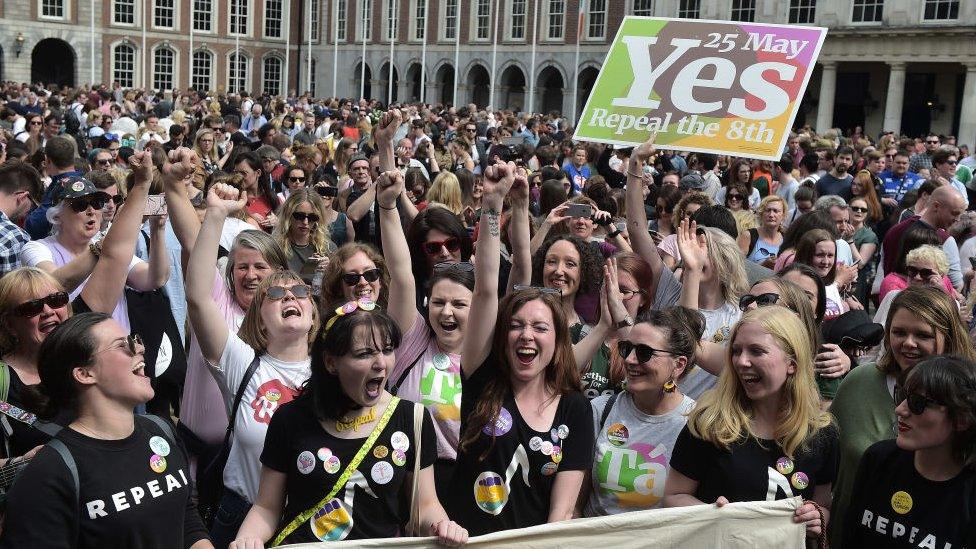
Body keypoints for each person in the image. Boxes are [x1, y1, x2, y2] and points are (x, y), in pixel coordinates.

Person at [229, 302, 467, 547]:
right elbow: (266, 508)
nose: (381, 364)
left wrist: (443, 525)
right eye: (364, 353)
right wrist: (248, 539)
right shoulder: (290, 419)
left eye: (387, 349)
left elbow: (425, 506)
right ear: (331, 363)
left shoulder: (412, 418)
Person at [449, 162, 594, 535]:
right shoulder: (483, 378)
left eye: (540, 327)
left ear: (558, 341)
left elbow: (560, 516)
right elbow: (484, 287)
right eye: (515, 326)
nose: (526, 335)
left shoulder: (575, 408)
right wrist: (494, 203)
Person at [0, 313, 212, 548]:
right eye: (123, 345)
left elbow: (186, 520)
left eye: (134, 339)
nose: (139, 348)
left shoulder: (161, 430)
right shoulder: (49, 474)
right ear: (84, 374)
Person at [185, 182, 318, 548]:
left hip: (310, 518)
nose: (288, 296)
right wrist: (213, 215)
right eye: (275, 294)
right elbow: (197, 298)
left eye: (299, 292)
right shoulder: (242, 362)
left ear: (313, 313)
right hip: (242, 513)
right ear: (260, 317)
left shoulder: (332, 370)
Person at [664, 306, 837, 544]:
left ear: (792, 363)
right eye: (735, 351)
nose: (741, 361)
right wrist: (712, 514)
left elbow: (823, 506)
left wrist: (816, 517)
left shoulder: (822, 433)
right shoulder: (710, 423)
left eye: (756, 351)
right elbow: (674, 496)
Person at [828, 286, 976, 546]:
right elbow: (828, 458)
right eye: (898, 332)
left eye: (922, 334)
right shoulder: (858, 383)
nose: (908, 343)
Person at [841, 355, 976, 548]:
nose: (900, 410)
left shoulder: (968, 494)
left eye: (917, 402)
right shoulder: (879, 459)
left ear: (962, 419)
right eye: (902, 396)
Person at [580, 307, 703, 516]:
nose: (629, 360)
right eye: (627, 349)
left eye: (645, 353)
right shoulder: (600, 410)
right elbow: (574, 501)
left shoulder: (697, 423)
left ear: (679, 365)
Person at [272, 190, 336, 284]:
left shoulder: (328, 248)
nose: (305, 222)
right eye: (299, 216)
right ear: (288, 215)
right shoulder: (274, 247)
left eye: (312, 218)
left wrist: (331, 270)